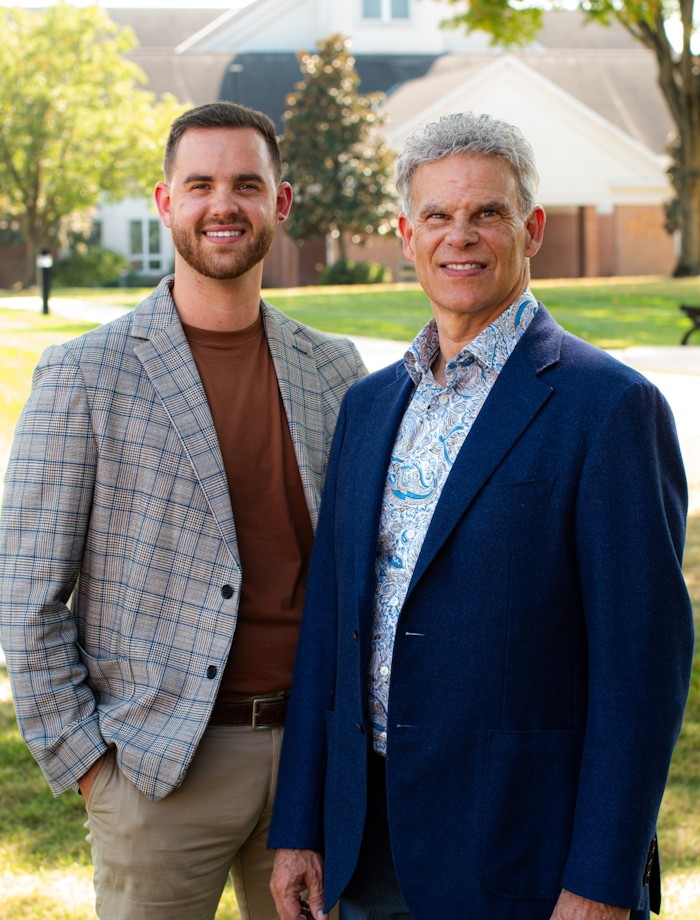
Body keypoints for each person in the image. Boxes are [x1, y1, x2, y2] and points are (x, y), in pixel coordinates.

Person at [267, 111, 694, 920]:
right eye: (437, 215)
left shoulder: (609, 409)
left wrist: (602, 880)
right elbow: (329, 632)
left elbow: (642, 671)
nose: (459, 236)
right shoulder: (369, 406)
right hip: (365, 842)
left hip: (522, 851)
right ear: (405, 234)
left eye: (486, 213)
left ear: (530, 229)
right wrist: (301, 825)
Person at [0, 101, 366, 920]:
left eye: (246, 183)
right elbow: (25, 592)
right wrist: (90, 763)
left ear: (282, 202)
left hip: (313, 767)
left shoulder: (335, 371)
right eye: (198, 184)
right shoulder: (83, 374)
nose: (222, 204)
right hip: (156, 770)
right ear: (166, 204)